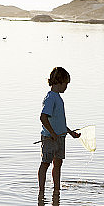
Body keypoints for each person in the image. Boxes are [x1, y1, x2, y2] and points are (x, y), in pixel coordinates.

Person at [38, 67, 80, 197]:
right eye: (66, 84)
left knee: (58, 163)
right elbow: (43, 117)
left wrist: (70, 132)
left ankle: (56, 190)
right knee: (46, 163)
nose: (66, 87)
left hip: (60, 137)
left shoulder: (58, 98)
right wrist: (53, 134)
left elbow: (59, 122)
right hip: (50, 138)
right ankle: (42, 191)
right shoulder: (51, 98)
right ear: (59, 82)